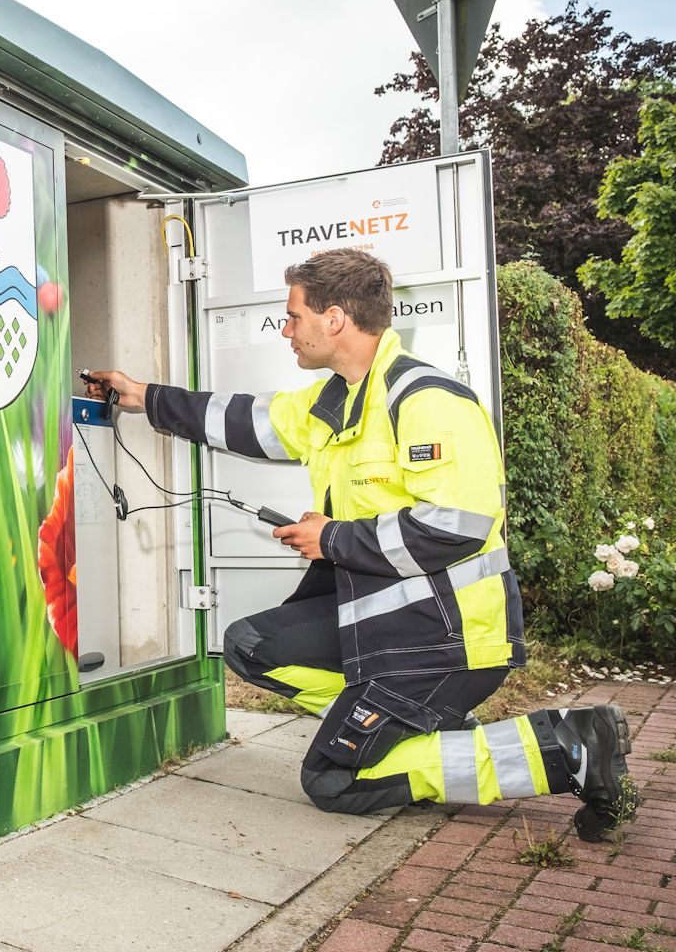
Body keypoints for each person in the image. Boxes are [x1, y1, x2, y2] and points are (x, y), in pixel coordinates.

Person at [85, 248, 638, 842]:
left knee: (334, 781)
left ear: (335, 319)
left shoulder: (427, 400)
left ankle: (569, 748)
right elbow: (249, 419)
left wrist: (332, 537)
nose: (286, 329)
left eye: (293, 315)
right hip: (389, 623)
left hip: (449, 641)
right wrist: (145, 396)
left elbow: (458, 524)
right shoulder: (338, 399)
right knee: (250, 644)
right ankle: (416, 731)